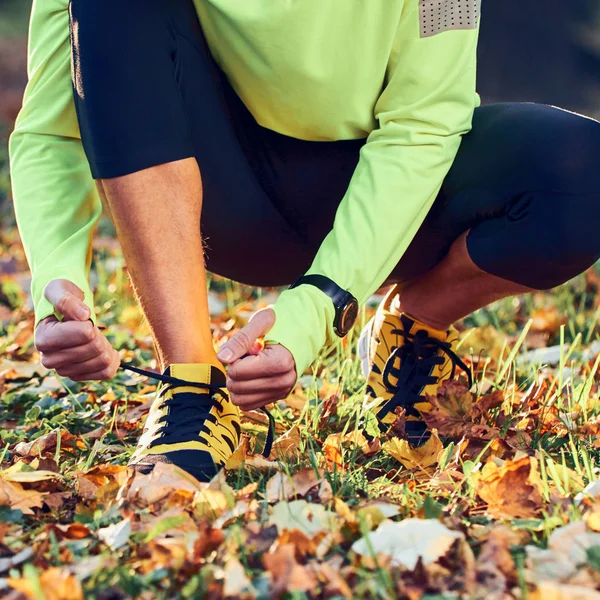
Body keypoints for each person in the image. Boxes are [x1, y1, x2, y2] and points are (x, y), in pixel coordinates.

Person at [10, 0, 600, 481]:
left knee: (582, 174)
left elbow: (423, 125)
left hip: (382, 191)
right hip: (221, 190)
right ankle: (191, 390)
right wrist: (56, 280)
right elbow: (49, 128)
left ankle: (410, 329)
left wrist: (320, 304)